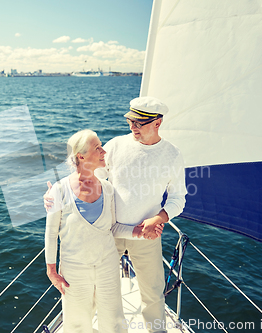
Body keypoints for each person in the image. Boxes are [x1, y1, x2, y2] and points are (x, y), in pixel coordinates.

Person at [46, 97, 187, 333]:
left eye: (139, 123)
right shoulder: (115, 146)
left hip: (145, 234)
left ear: (157, 123)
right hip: (108, 234)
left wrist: (159, 218)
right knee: (94, 294)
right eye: (130, 121)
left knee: (153, 293)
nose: (133, 127)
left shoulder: (172, 155)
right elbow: (87, 174)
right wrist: (55, 195)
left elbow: (178, 199)